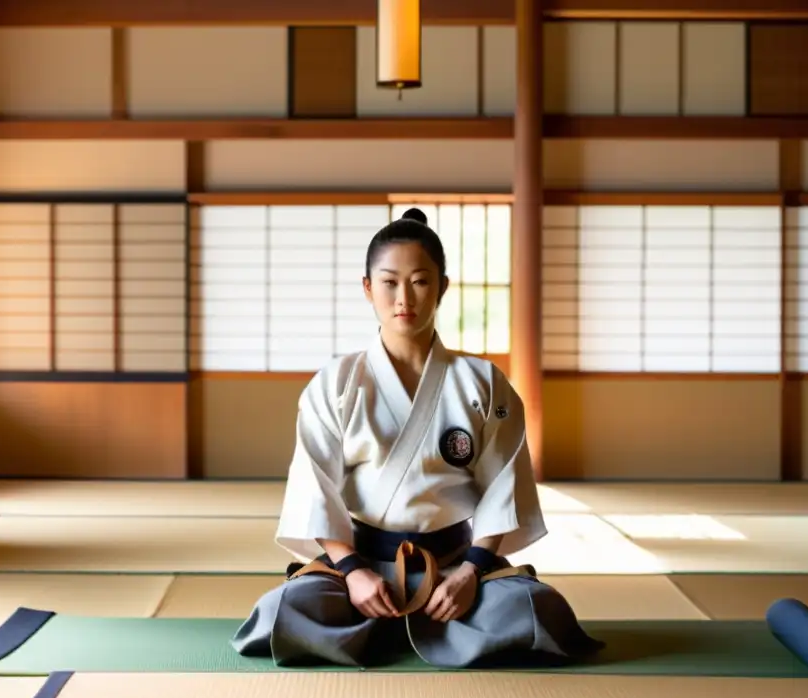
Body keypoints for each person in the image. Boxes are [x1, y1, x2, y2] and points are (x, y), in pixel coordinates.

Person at [231, 208, 603, 668]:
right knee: (281, 610)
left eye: (420, 281)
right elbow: (315, 488)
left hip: (452, 565)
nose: (404, 297)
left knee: (533, 610)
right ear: (368, 288)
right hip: (361, 566)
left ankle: (386, 630)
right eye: (389, 282)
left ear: (443, 287)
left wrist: (471, 571)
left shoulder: (482, 381)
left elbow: (503, 488)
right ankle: (384, 614)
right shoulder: (337, 382)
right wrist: (351, 572)